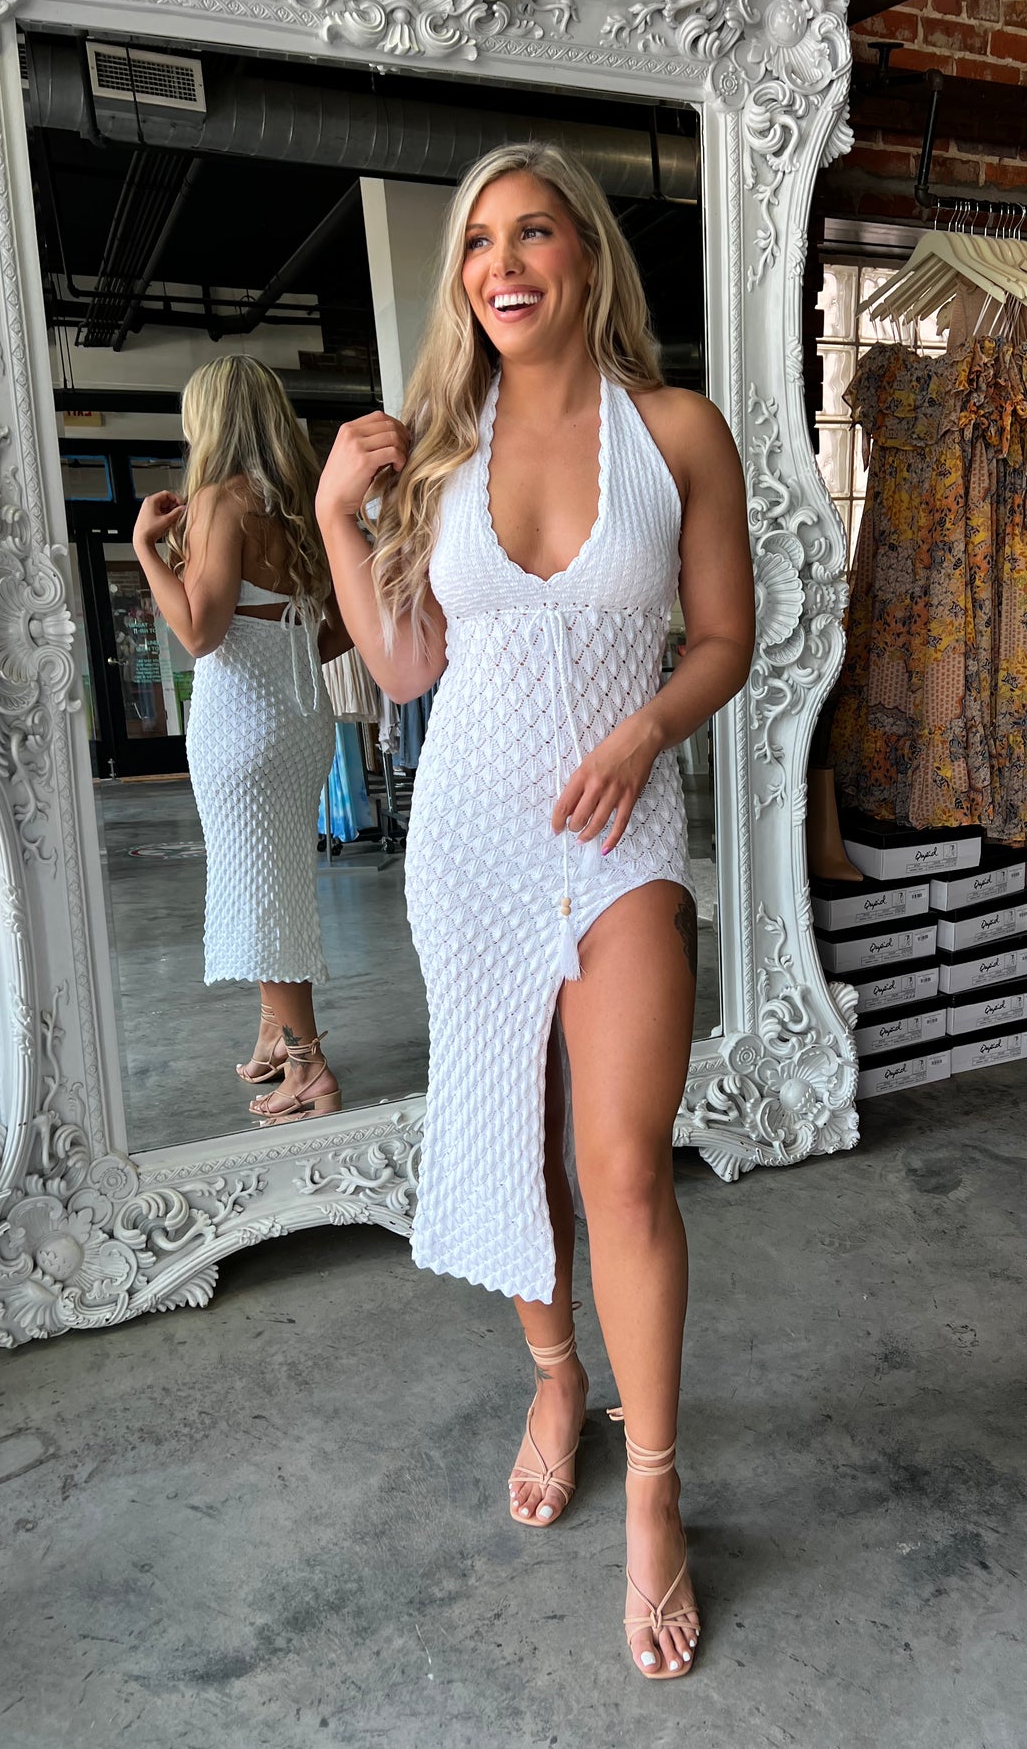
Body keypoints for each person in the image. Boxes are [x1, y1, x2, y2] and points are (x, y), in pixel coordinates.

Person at [315, 142, 753, 1681]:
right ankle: (559, 1377)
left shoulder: (676, 429)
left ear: (586, 257)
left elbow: (723, 635)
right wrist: (337, 514)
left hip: (625, 834)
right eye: (479, 242)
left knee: (624, 1166)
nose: (503, 263)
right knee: (512, 1146)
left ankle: (658, 1491)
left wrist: (644, 732)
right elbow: (406, 667)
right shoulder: (442, 447)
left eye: (534, 232)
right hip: (474, 842)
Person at [131, 354, 352, 1122]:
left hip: (241, 726)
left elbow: (198, 631)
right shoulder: (303, 507)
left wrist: (146, 552)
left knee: (260, 893)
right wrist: (284, 647)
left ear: (210, 421)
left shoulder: (219, 502)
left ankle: (308, 1066)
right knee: (275, 879)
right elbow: (340, 627)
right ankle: (272, 1034)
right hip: (299, 721)